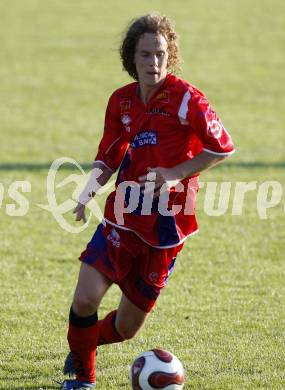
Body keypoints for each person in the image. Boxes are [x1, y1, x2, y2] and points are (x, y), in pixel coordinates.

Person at [60, 12, 235, 390]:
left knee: (126, 328)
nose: (153, 62)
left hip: (167, 232)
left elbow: (221, 148)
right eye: (145, 54)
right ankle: (83, 378)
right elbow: (109, 154)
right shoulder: (121, 102)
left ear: (169, 55)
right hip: (123, 217)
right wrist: (87, 193)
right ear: (132, 58)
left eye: (159, 53)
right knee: (85, 299)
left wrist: (175, 174)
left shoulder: (188, 99)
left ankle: (83, 346)